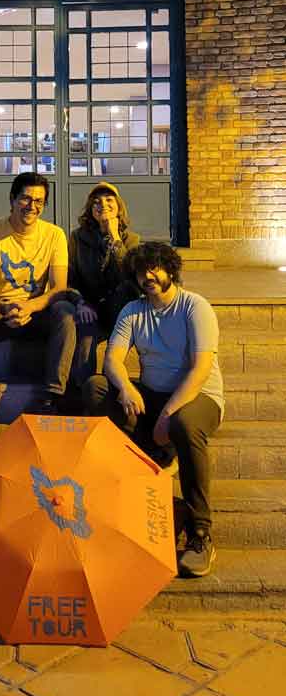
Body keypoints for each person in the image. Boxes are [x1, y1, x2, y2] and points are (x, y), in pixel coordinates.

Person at [83, 241, 224, 577]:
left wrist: (166, 416)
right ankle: (152, 455)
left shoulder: (194, 307)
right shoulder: (133, 310)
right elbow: (112, 360)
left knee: (184, 424)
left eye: (154, 269)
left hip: (197, 396)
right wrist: (126, 387)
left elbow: (200, 369)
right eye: (140, 271)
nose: (148, 276)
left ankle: (200, 533)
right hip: (152, 395)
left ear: (170, 270)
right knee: (96, 388)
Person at [0, 172, 76, 433]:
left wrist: (30, 307)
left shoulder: (54, 235)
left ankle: (51, 398)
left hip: (33, 312)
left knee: (65, 311)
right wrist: (4, 307)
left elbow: (59, 288)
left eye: (39, 201)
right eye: (25, 198)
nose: (31, 206)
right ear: (12, 199)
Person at [67, 181, 140, 382]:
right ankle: (84, 389)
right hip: (89, 306)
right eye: (97, 202)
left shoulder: (131, 240)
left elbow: (130, 276)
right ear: (90, 209)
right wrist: (80, 302)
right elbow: (70, 278)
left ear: (119, 207)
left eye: (109, 200)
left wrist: (114, 237)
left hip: (119, 308)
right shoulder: (77, 237)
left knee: (125, 292)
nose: (103, 205)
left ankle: (113, 381)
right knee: (86, 335)